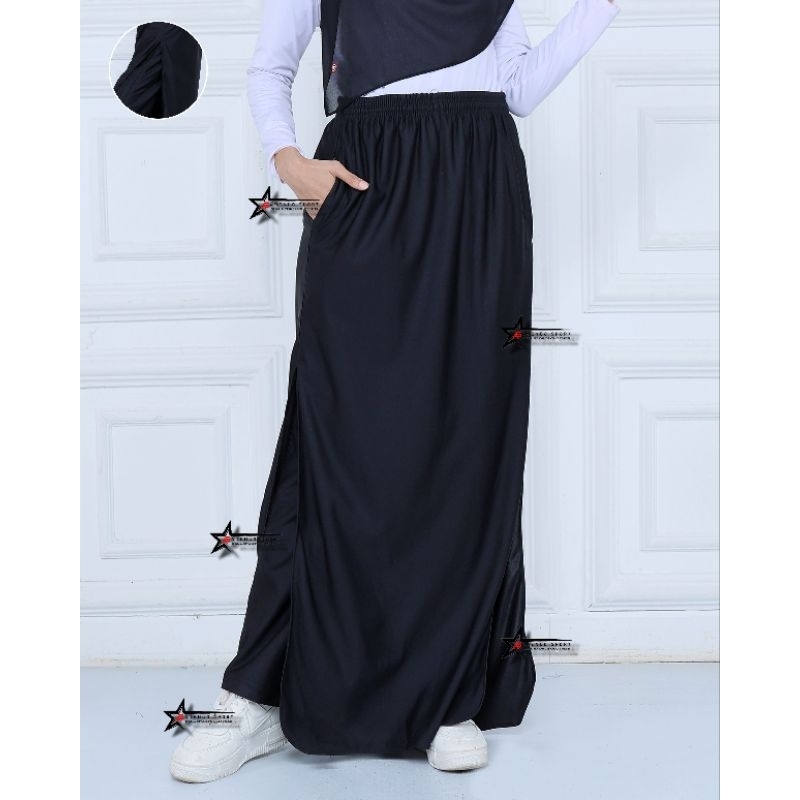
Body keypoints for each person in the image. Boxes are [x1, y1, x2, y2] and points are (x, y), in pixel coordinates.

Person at [169, 0, 620, 783]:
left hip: (478, 184)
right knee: (331, 436)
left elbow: (516, 87)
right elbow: (271, 65)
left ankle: (448, 694)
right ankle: (260, 696)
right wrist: (289, 159)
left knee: (465, 435)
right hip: (366, 179)